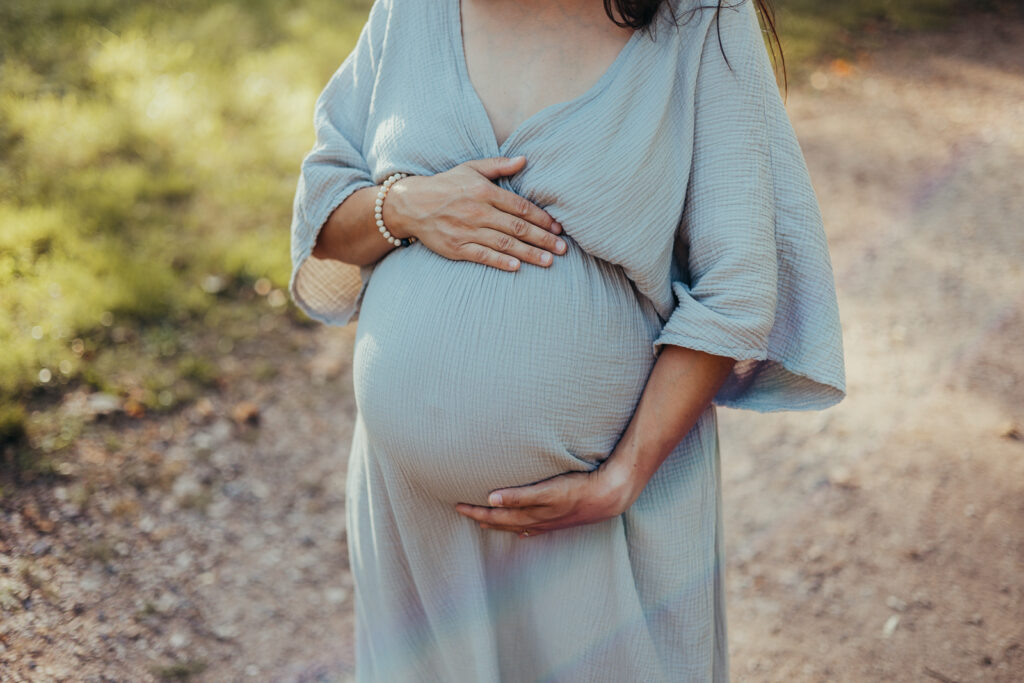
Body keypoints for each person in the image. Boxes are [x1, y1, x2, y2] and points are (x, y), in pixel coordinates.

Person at [288, 0, 846, 679]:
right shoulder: (415, 10)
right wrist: (404, 205)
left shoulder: (698, 19)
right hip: (412, 516)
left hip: (600, 521)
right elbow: (325, 211)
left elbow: (737, 285)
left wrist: (622, 478)